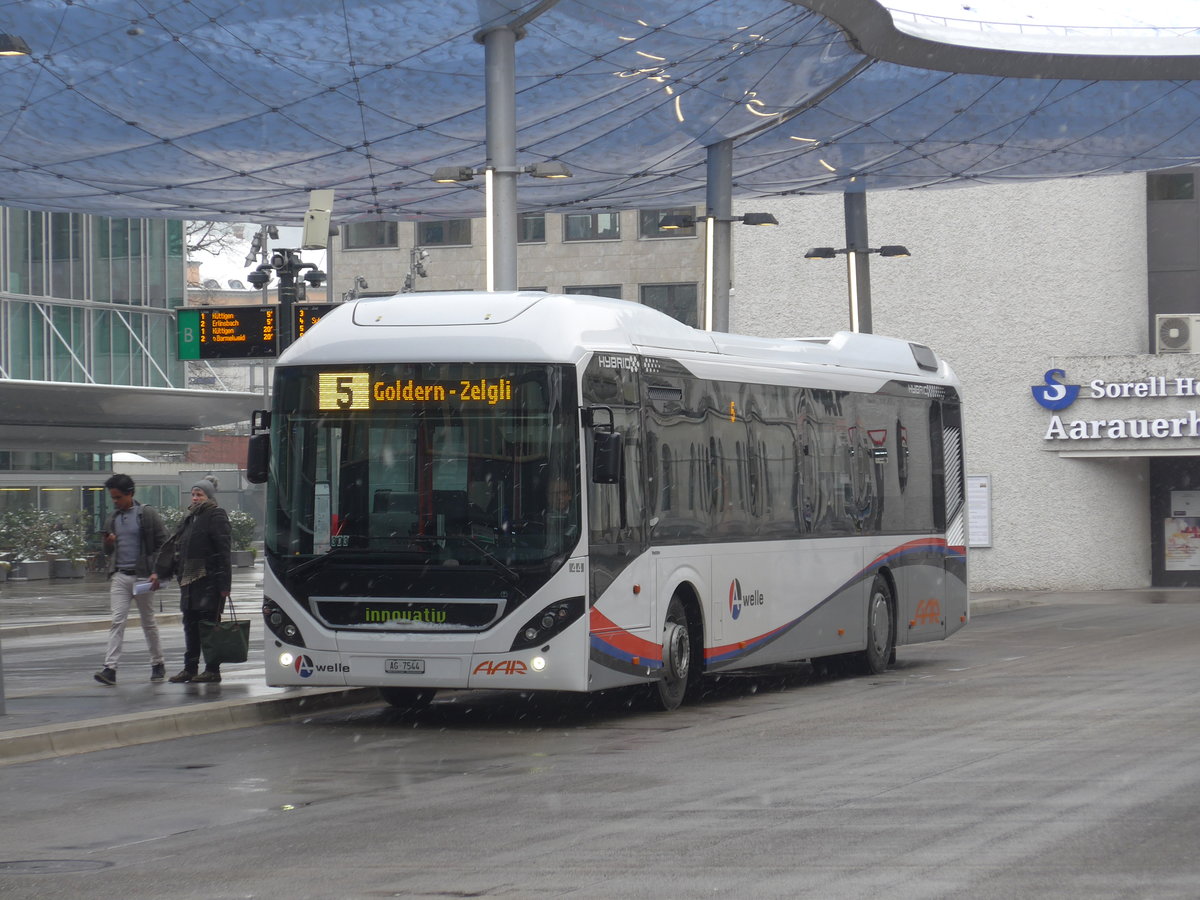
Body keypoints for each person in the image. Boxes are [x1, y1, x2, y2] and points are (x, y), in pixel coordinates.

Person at [94, 473, 168, 685]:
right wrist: (108, 543)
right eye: (113, 498)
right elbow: (108, 551)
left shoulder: (146, 514)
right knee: (117, 621)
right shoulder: (113, 518)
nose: (115, 501)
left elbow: (164, 544)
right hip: (120, 575)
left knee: (148, 621)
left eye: (118, 497)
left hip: (143, 577)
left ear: (130, 494)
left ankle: (157, 662)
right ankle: (110, 668)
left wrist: (157, 571)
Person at [158, 476, 232, 684]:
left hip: (209, 582)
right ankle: (190, 668)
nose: (195, 498)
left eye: (199, 494)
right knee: (190, 625)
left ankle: (212, 669)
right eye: (193, 494)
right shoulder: (190, 517)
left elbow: (223, 552)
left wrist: (224, 585)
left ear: (209, 496)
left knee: (209, 626)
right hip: (189, 581)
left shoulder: (216, 515)